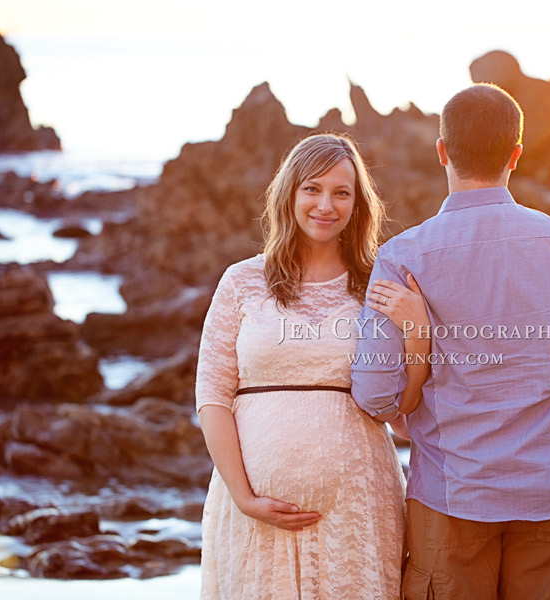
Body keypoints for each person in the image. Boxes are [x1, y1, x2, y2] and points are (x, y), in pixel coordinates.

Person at [352, 83, 550, 600]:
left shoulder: (403, 257)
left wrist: (418, 408)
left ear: (442, 151)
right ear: (515, 154)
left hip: (451, 495)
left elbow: (373, 394)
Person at [195, 133, 415, 599]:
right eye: (312, 189)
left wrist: (418, 329)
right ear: (289, 192)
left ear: (358, 204)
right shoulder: (241, 281)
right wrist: (245, 497)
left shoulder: (378, 286)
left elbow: (404, 412)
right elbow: (212, 397)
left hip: (359, 507)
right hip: (251, 509)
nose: (325, 205)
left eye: (341, 192)